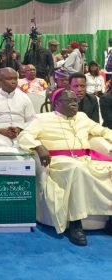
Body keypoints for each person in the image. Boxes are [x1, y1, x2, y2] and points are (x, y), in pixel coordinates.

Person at [18, 88, 112, 246]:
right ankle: (76, 223)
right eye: (70, 101)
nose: (75, 103)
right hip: (59, 161)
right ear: (57, 103)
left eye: (76, 100)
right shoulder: (43, 119)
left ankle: (110, 219)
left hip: (85, 159)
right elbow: (24, 135)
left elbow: (102, 131)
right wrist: (38, 146)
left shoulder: (82, 117)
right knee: (77, 169)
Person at [0, 67, 36, 147]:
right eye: (9, 79)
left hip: (21, 134)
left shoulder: (24, 97)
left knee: (32, 145)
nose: (13, 82)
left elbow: (32, 120)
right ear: (0, 81)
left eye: (15, 79)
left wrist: (19, 128)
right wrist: (1, 131)